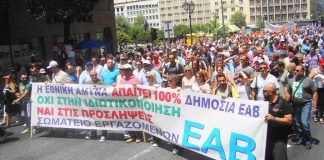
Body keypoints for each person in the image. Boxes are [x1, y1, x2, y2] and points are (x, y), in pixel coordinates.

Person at [285, 65, 317, 149]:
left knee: (304, 123)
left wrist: (315, 105)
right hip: (295, 105)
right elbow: (288, 92)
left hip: (306, 104)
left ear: (302, 71)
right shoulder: (291, 80)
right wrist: (286, 103)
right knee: (297, 123)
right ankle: (300, 137)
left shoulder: (308, 80)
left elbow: (315, 92)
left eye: (298, 70)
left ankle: (308, 140)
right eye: (295, 70)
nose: (296, 72)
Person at [264, 82, 293, 160]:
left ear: (270, 92)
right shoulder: (265, 102)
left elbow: (289, 120)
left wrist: (273, 118)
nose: (263, 92)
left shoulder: (283, 103)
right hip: (268, 136)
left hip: (279, 137)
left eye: (264, 91)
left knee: (279, 156)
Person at [85, 70, 108, 142]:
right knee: (92, 119)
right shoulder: (87, 83)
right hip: (91, 105)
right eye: (92, 75)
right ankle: (93, 134)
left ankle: (104, 134)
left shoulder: (101, 82)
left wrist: (98, 87)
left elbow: (107, 90)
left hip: (101, 105)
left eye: (95, 75)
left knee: (102, 120)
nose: (94, 76)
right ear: (90, 76)